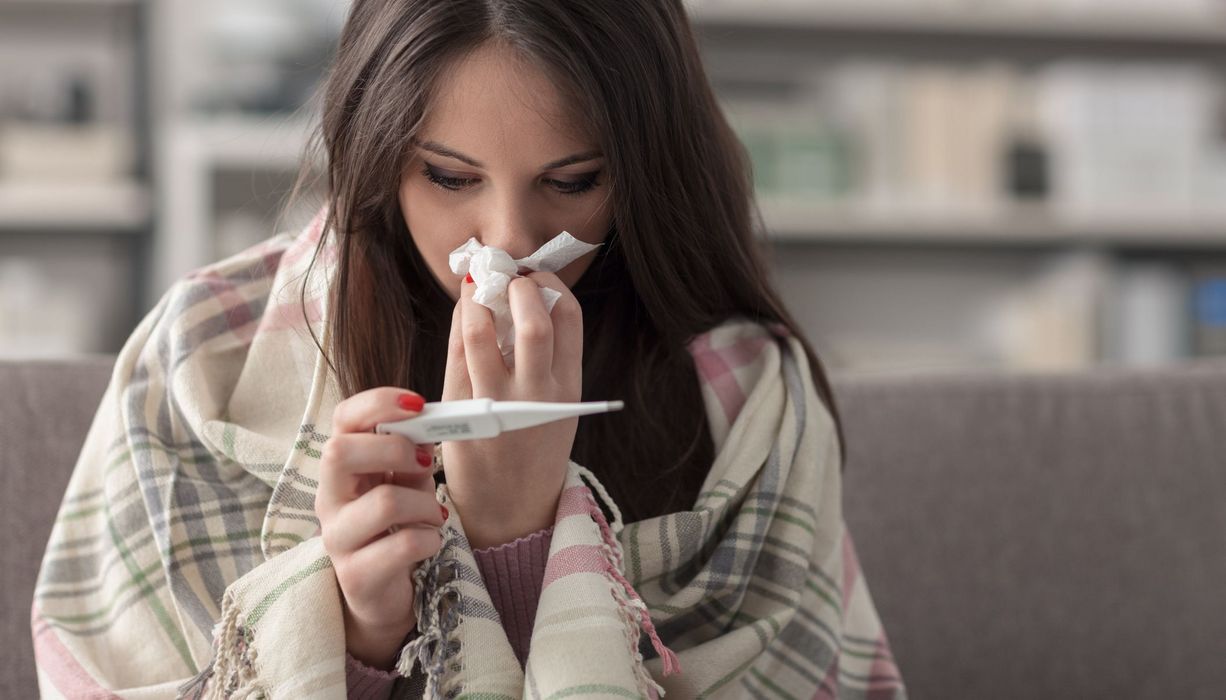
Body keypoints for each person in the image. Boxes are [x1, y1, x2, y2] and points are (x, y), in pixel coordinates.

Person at [31, 0, 906, 698]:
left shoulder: (751, 400)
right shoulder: (201, 362)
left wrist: (516, 540)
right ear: (376, 153)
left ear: (644, 166)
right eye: (449, 177)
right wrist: (359, 632)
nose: (508, 240)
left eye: (572, 182)